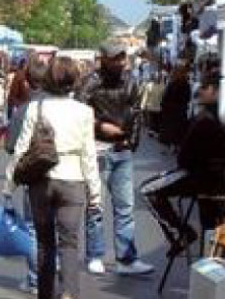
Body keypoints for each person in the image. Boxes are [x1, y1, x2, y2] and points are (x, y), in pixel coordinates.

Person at [5, 56, 100, 299]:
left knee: (45, 244)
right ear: (74, 81)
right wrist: (95, 194)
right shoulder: (84, 112)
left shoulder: (37, 108)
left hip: (41, 180)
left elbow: (21, 149)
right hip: (73, 180)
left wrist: (9, 185)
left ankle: (45, 295)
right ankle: (69, 293)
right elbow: (89, 155)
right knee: (69, 243)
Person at [76, 41, 154, 275]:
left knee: (125, 207)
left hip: (122, 149)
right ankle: (95, 255)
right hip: (97, 147)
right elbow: (78, 114)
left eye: (122, 57)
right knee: (95, 205)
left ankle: (126, 259)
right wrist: (101, 127)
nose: (121, 61)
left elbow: (137, 113)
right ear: (104, 59)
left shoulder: (131, 82)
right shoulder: (90, 83)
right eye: (115, 57)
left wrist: (131, 141)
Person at [140, 74, 225, 256]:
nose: (201, 89)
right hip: (221, 181)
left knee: (147, 191)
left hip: (199, 176)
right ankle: (207, 256)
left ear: (216, 91)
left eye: (206, 87)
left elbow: (184, 157)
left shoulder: (205, 119)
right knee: (211, 225)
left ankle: (181, 233)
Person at [3, 53, 49, 295]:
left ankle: (34, 279)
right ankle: (59, 268)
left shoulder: (23, 110)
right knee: (60, 230)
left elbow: (10, 146)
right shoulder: (64, 106)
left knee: (33, 229)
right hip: (65, 176)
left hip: (35, 178)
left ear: (27, 82)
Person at [159, 64, 191, 149]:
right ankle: (176, 145)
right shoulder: (186, 84)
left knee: (170, 130)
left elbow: (166, 97)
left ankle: (169, 146)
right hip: (180, 110)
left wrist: (164, 106)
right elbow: (187, 98)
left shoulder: (172, 84)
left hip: (171, 110)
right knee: (178, 130)